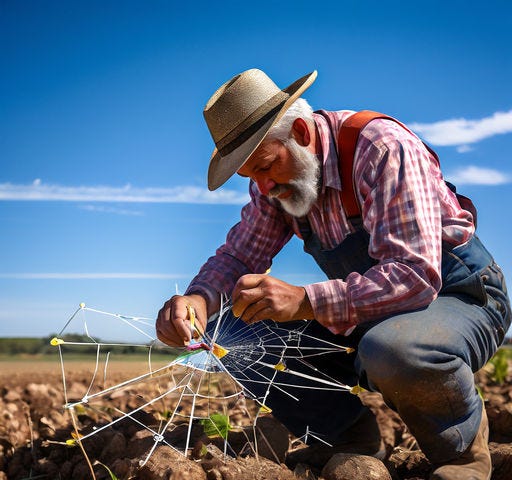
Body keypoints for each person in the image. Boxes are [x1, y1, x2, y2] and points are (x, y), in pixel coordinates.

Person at [156, 68, 511, 479]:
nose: (264, 186)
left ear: (303, 133)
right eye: (251, 176)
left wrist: (305, 301)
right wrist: (197, 299)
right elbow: (239, 255)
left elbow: (415, 275)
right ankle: (351, 439)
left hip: (458, 295)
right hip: (369, 310)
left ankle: (462, 453)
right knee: (231, 336)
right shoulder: (277, 184)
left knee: (393, 348)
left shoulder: (381, 148)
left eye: (267, 167)